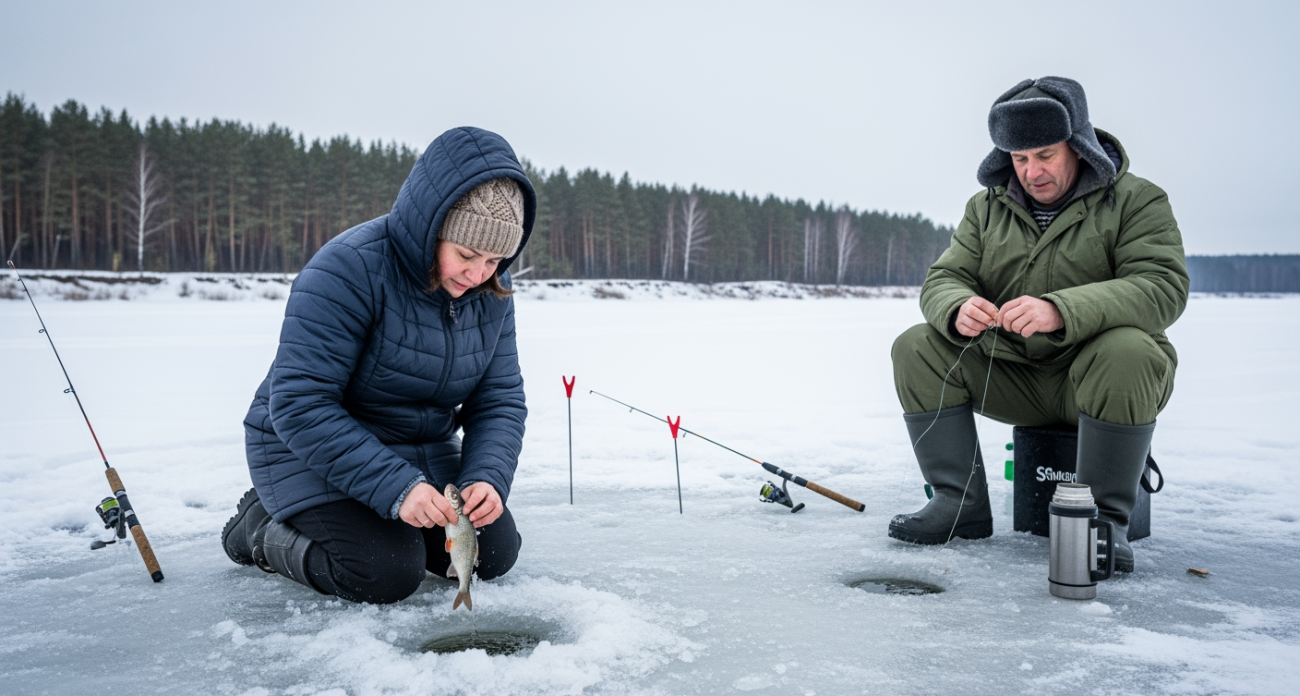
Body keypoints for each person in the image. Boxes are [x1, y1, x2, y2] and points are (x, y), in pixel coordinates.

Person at [220, 127, 535, 603]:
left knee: (492, 554)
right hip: (306, 448)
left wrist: (486, 477)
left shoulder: (490, 290)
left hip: (417, 447)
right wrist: (397, 487)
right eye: (466, 254)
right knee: (385, 572)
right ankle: (259, 528)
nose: (478, 275)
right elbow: (299, 403)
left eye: (495, 259)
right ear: (432, 227)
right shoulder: (347, 270)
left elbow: (499, 401)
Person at [887, 77, 1188, 572]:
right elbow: (945, 277)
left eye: (1045, 154)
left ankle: (1104, 523)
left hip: (1099, 379)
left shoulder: (1137, 200)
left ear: (1078, 144)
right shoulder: (985, 208)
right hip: (1014, 377)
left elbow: (1161, 287)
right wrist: (958, 306)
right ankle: (956, 504)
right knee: (917, 345)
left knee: (1129, 349)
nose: (1031, 171)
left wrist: (1060, 310)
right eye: (1020, 158)